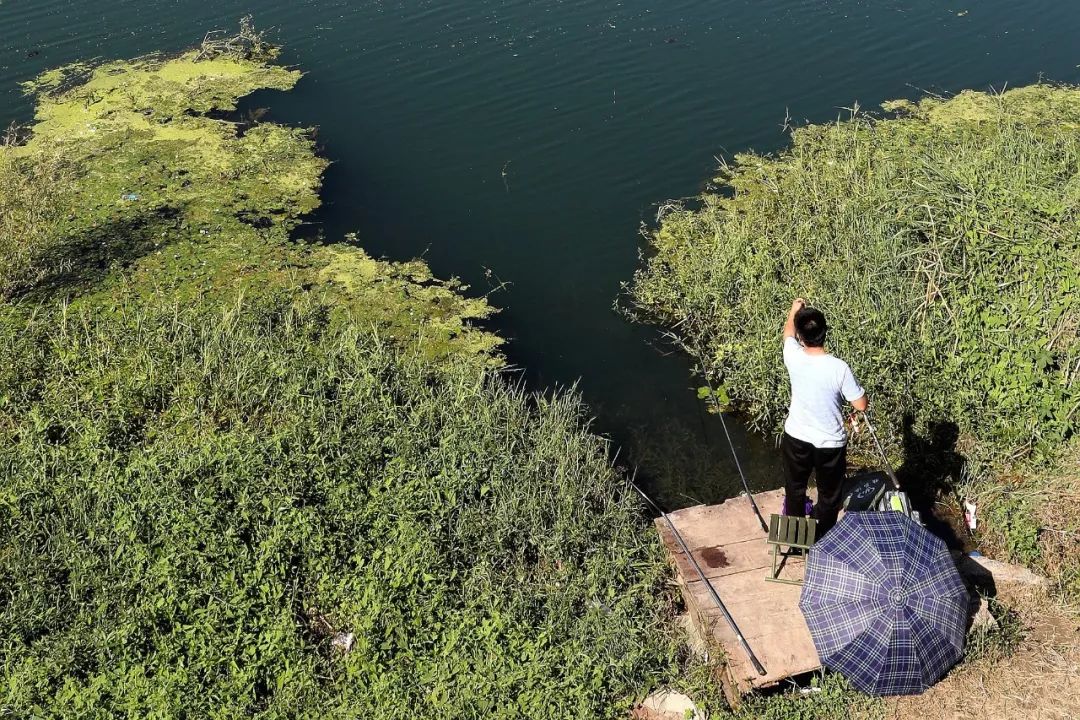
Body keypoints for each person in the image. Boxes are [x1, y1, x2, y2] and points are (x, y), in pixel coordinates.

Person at [781, 298, 868, 536]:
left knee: (795, 488)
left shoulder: (793, 355)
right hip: (830, 444)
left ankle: (795, 539)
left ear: (801, 336)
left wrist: (794, 309)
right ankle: (822, 538)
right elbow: (860, 405)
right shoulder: (839, 368)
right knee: (829, 495)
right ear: (825, 332)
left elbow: (787, 332)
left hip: (796, 437)